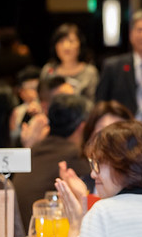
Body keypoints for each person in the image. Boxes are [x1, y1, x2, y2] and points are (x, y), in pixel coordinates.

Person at [12, 94, 92, 227]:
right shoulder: (76, 156)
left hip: (24, 232)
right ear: (82, 127)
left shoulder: (35, 148)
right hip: (46, 234)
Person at [95, 9, 142, 128]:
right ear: (131, 35)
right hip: (119, 131)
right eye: (140, 30)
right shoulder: (113, 66)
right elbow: (100, 105)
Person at [40, 23, 99, 101]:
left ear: (80, 45)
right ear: (55, 46)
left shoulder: (89, 72)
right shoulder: (48, 70)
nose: (66, 46)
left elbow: (93, 102)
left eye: (71, 41)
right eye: (61, 41)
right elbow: (41, 99)